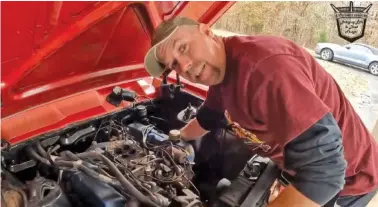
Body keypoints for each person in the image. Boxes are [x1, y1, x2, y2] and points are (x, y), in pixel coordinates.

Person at [143, 16, 378, 207]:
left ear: (207, 31)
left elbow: (326, 173)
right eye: (174, 64)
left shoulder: (267, 70)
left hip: (351, 181)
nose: (184, 66)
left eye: (183, 48)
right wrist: (176, 137)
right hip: (298, 166)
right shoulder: (223, 71)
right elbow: (209, 116)